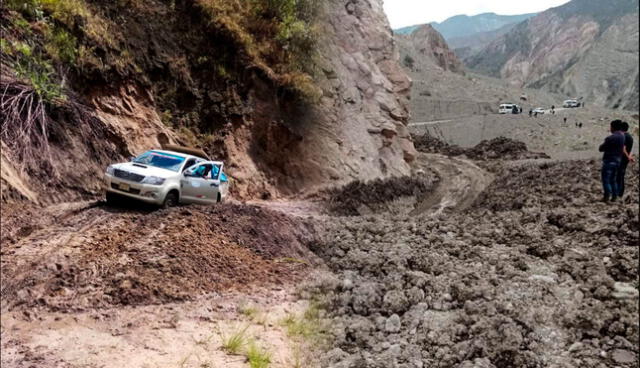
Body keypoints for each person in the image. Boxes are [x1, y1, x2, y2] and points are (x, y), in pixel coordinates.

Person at [598, 120, 625, 202]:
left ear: (613, 127)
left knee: (606, 179)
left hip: (609, 160)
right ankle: (614, 196)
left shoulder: (611, 138)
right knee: (613, 180)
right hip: (618, 160)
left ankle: (607, 196)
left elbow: (601, 148)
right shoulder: (622, 136)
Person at [616, 122, 635, 198]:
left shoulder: (623, 136)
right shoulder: (630, 137)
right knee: (621, 175)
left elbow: (623, 148)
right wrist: (629, 156)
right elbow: (629, 149)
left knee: (618, 176)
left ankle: (618, 193)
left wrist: (628, 157)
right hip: (625, 160)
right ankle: (620, 193)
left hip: (621, 158)